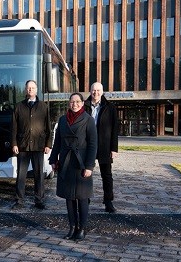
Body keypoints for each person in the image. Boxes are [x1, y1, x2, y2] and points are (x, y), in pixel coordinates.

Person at [48, 92, 97, 241]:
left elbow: (93, 145)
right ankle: (72, 227)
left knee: (82, 197)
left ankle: (81, 229)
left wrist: (89, 166)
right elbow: (57, 142)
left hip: (81, 163)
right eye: (72, 102)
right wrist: (53, 159)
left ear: (82, 103)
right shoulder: (62, 120)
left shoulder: (88, 120)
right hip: (66, 163)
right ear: (69, 104)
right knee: (69, 198)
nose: (74, 104)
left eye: (77, 101)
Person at [11, 80, 52, 210]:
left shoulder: (43, 106)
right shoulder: (18, 106)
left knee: (39, 175)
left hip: (38, 145)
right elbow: (14, 127)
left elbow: (48, 127)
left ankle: (39, 200)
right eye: (28, 88)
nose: (30, 90)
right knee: (21, 175)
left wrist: (48, 144)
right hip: (22, 146)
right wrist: (14, 143)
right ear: (25, 90)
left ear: (36, 89)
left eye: (33, 88)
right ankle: (19, 201)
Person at [84, 82, 119, 213]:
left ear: (102, 92)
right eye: (93, 90)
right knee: (85, 174)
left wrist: (114, 149)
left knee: (107, 175)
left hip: (105, 146)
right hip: (87, 146)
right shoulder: (84, 106)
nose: (96, 93)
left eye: (98, 90)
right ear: (90, 91)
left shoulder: (110, 107)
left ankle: (108, 201)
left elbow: (115, 129)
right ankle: (85, 199)